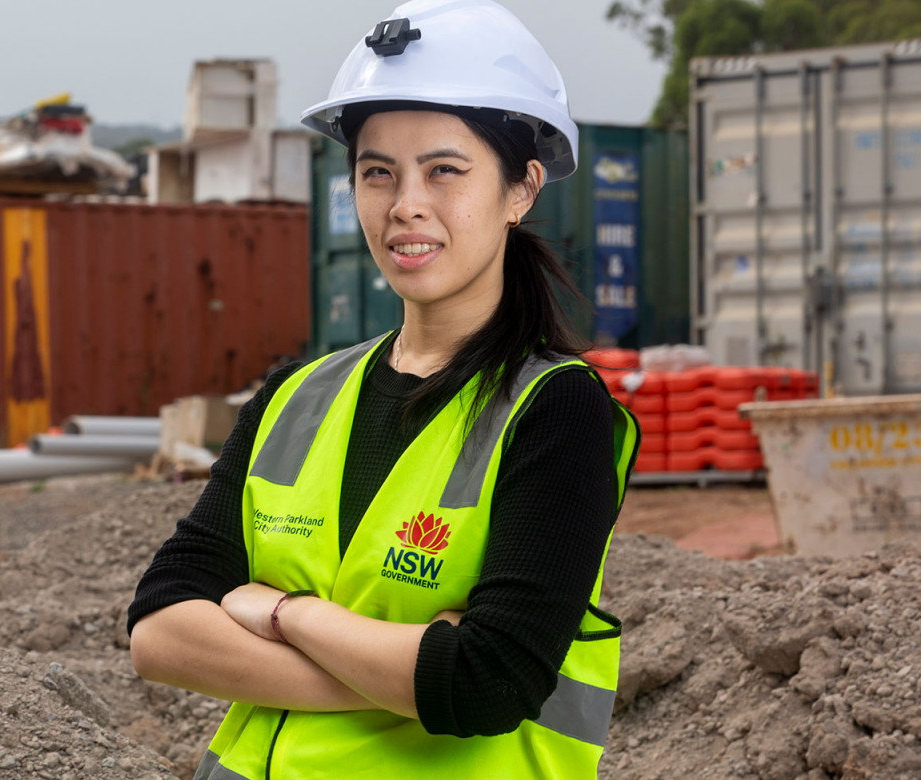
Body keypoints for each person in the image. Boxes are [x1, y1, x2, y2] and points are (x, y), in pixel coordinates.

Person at [128, 1, 640, 777]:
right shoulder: (295, 397)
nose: (406, 204)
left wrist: (279, 611)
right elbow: (159, 629)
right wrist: (403, 674)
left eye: (445, 170)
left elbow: (487, 681)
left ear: (520, 189)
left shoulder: (555, 411)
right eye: (378, 173)